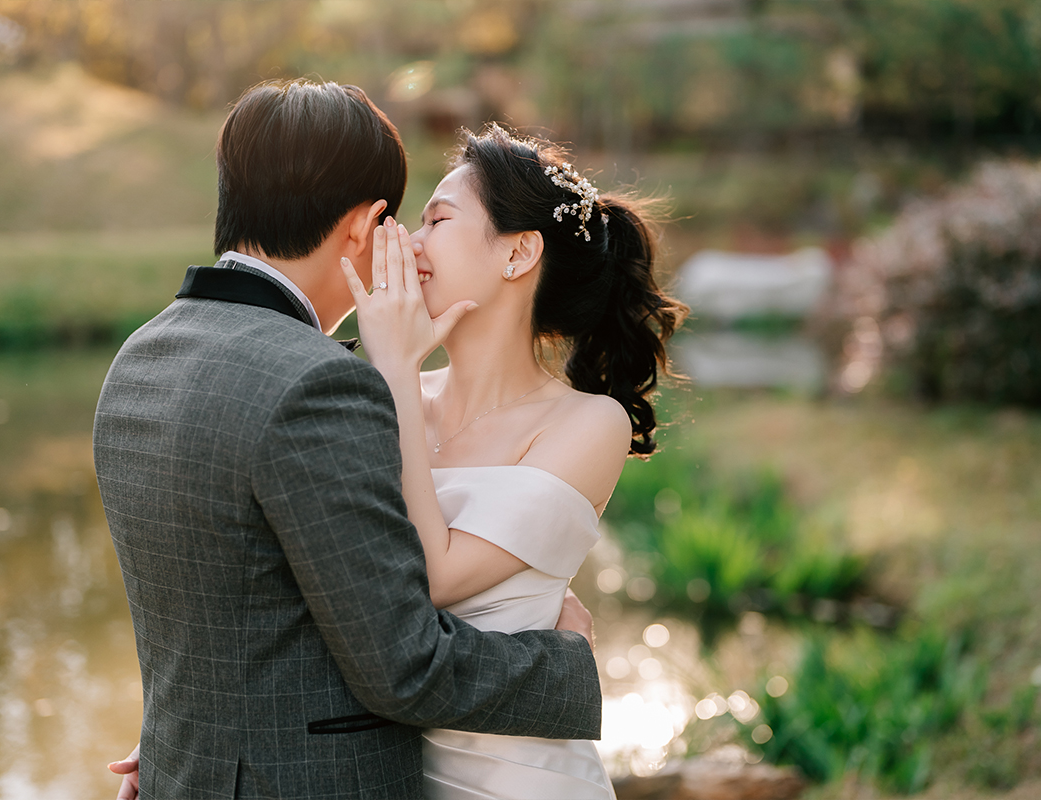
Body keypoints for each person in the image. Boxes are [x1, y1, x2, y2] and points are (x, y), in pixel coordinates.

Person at [94, 81, 602, 800]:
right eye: (402, 224)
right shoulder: (318, 383)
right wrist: (566, 663)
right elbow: (403, 665)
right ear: (364, 227)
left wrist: (177, 735)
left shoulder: (138, 360)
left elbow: (226, 596)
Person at [339, 124, 688, 798]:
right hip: (385, 775)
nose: (410, 244)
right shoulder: (386, 391)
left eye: (437, 219)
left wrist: (396, 372)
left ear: (519, 252)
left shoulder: (588, 422)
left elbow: (432, 576)